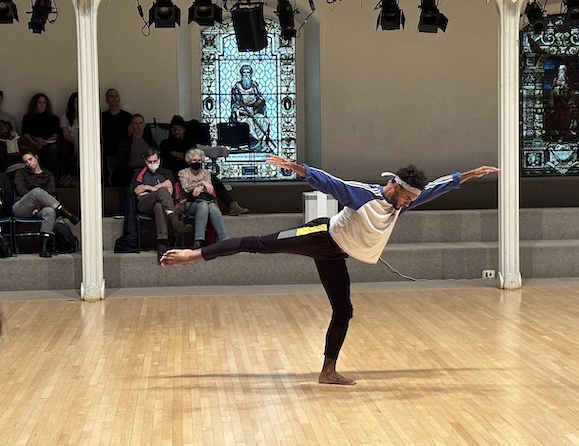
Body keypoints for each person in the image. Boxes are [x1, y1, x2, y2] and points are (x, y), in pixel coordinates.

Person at [162, 155, 500, 386]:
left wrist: (467, 175)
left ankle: (328, 371)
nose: (411, 203)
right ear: (396, 188)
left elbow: (435, 189)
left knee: (344, 310)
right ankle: (194, 254)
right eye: (408, 197)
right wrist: (295, 167)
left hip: (336, 256)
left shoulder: (402, 202)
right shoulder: (363, 195)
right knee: (256, 242)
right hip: (320, 236)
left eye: (413, 199)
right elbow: (328, 182)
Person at [12, 149, 80, 257]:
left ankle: (44, 248)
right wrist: (37, 202)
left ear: (36, 157)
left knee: (49, 211)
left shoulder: (48, 175)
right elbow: (22, 191)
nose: (29, 163)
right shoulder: (20, 173)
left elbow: (50, 193)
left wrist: (39, 206)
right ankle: (66, 213)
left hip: (39, 208)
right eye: (26, 161)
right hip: (22, 206)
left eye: (30, 159)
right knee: (38, 191)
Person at [131, 147, 190, 263]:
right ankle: (176, 223)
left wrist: (148, 188)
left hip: (160, 205)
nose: (153, 164)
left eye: (155, 161)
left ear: (159, 160)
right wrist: (158, 188)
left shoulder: (166, 173)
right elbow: (138, 192)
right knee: (162, 193)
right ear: (145, 161)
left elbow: (170, 192)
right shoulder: (140, 174)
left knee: (159, 205)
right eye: (150, 162)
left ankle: (162, 244)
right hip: (144, 204)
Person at [177, 148, 230, 249]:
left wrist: (201, 187)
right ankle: (199, 239)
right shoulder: (183, 173)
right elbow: (186, 188)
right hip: (188, 203)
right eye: (194, 160)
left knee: (212, 207)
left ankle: (224, 239)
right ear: (189, 161)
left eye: (199, 160)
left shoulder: (206, 173)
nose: (197, 163)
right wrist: (202, 183)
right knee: (204, 205)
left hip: (205, 201)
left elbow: (209, 190)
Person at [229, 64, 273, 151]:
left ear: (251, 74)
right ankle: (246, 145)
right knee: (248, 122)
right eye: (244, 73)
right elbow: (235, 103)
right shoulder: (237, 87)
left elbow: (260, 99)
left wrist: (257, 107)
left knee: (263, 121)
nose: (246, 75)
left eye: (248, 73)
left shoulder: (254, 85)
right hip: (242, 113)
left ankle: (261, 144)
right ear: (241, 74)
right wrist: (240, 110)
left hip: (254, 111)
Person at [21, 93, 61, 182]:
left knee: (53, 149)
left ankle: (54, 179)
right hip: (32, 144)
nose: (42, 105)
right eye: (39, 102)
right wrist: (35, 143)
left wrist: (44, 143)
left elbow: (55, 136)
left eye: (44, 103)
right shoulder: (27, 118)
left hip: (48, 144)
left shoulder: (53, 118)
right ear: (35, 104)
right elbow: (26, 134)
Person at [112, 113, 155, 187]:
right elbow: (122, 162)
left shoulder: (150, 142)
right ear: (131, 125)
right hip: (130, 173)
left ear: (144, 125)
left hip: (148, 171)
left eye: (141, 123)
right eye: (136, 123)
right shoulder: (126, 142)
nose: (139, 126)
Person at [101, 88, 132, 185]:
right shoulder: (102, 116)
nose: (114, 98)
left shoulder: (127, 116)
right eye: (111, 96)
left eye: (116, 96)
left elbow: (130, 134)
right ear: (106, 100)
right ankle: (104, 180)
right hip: (107, 146)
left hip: (122, 145)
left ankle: (119, 180)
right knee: (100, 149)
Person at [59, 92, 80, 186]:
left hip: (86, 143)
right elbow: (66, 135)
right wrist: (75, 142)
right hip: (70, 141)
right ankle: (69, 176)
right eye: (76, 102)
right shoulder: (65, 117)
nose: (78, 105)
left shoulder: (88, 117)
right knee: (66, 150)